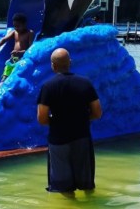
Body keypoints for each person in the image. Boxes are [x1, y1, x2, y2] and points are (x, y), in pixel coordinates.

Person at [37, 48, 103, 193]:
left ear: (53, 65)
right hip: (82, 138)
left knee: (63, 189)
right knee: (87, 186)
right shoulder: (85, 83)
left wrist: (58, 122)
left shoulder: (48, 87)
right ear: (70, 63)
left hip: (58, 140)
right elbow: (97, 113)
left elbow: (41, 118)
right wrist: (82, 119)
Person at [0, 13, 34, 100]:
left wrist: (20, 52)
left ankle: (5, 97)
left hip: (23, 60)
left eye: (18, 26)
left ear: (24, 24)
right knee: (4, 77)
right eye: (15, 26)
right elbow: (4, 39)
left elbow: (31, 49)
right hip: (13, 59)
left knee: (14, 78)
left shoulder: (29, 33)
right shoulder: (14, 32)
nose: (16, 28)